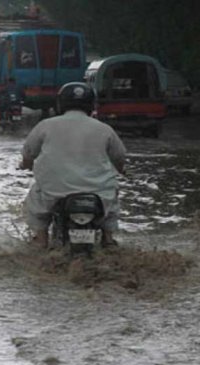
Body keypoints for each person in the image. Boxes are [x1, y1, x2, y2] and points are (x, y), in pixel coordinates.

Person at [20, 82, 126, 249]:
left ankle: (41, 239)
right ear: (91, 104)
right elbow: (119, 157)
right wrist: (121, 170)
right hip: (97, 192)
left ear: (60, 103)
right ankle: (108, 238)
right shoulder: (104, 129)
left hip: (55, 191)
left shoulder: (45, 125)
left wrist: (25, 164)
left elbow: (28, 152)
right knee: (112, 201)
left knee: (36, 203)